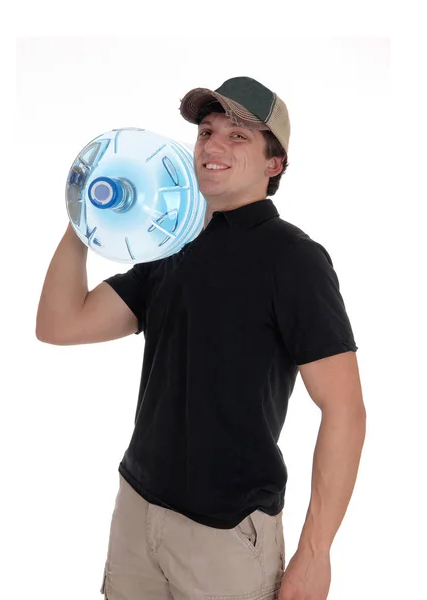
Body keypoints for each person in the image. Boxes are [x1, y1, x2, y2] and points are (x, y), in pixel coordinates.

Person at [36, 76, 366, 600]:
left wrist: (315, 552)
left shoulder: (294, 259)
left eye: (237, 136)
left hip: (226, 535)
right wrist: (83, 214)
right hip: (137, 511)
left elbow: (345, 408)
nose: (212, 145)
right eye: (206, 131)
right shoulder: (169, 245)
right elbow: (60, 324)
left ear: (273, 164)